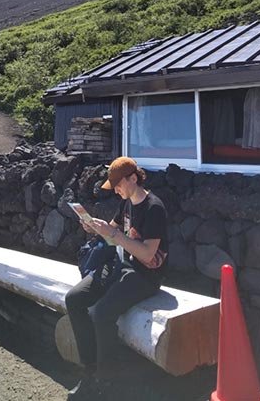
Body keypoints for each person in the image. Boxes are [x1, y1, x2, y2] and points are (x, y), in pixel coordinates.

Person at [65, 156, 168, 399]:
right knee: (74, 299)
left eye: (118, 184)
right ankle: (89, 370)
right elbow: (112, 235)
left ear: (133, 178)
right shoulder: (126, 202)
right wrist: (95, 228)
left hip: (146, 275)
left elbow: (147, 253)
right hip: (122, 265)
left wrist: (114, 234)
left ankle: (107, 381)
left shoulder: (154, 208)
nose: (117, 190)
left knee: (101, 313)